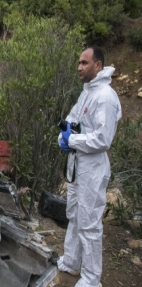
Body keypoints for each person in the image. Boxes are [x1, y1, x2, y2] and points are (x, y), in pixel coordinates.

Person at [57, 45, 122, 287]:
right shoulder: (86, 93)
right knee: (74, 215)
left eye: (84, 63)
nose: (79, 67)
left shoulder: (105, 97)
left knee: (89, 223)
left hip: (93, 171)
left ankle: (92, 279)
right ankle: (72, 262)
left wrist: (71, 140)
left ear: (98, 65)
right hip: (77, 167)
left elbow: (104, 139)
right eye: (79, 63)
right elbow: (72, 120)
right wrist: (63, 137)